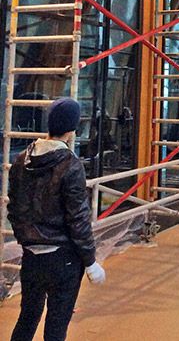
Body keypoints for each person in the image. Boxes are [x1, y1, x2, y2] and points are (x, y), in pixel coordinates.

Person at [7, 98, 106, 341]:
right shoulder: (70, 164)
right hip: (64, 259)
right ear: (72, 128)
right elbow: (78, 219)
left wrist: (27, 240)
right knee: (56, 327)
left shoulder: (21, 160)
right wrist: (90, 261)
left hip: (32, 257)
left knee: (27, 318)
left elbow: (15, 208)